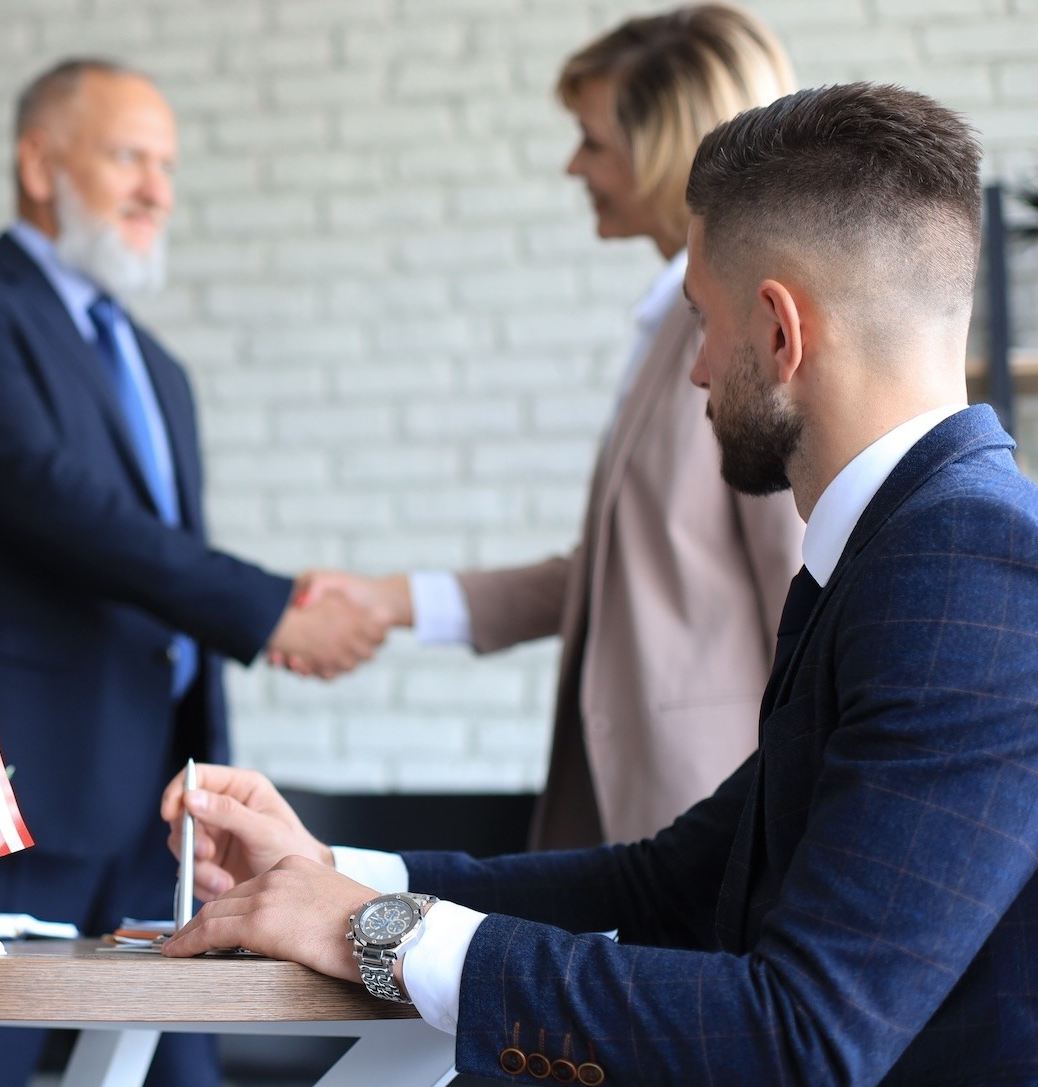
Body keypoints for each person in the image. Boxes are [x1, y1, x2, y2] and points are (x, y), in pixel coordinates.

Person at [162, 83, 1038, 1085]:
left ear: (781, 331)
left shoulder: (971, 566)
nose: (700, 371)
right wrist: (333, 872)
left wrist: (378, 931)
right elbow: (669, 880)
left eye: (703, 322)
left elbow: (804, 1036)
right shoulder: (905, 548)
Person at [0, 57, 388, 1087]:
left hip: (166, 810)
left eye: (167, 163)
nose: (158, 187)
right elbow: (60, 504)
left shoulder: (160, 369)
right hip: (12, 796)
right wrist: (270, 610)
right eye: (129, 157)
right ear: (38, 161)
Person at [297, 4, 804, 849]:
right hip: (640, 803)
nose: (575, 165)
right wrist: (398, 601)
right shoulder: (670, 327)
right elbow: (629, 573)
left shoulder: (742, 334)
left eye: (594, 141)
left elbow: (801, 583)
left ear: (670, 148)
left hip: (718, 805)